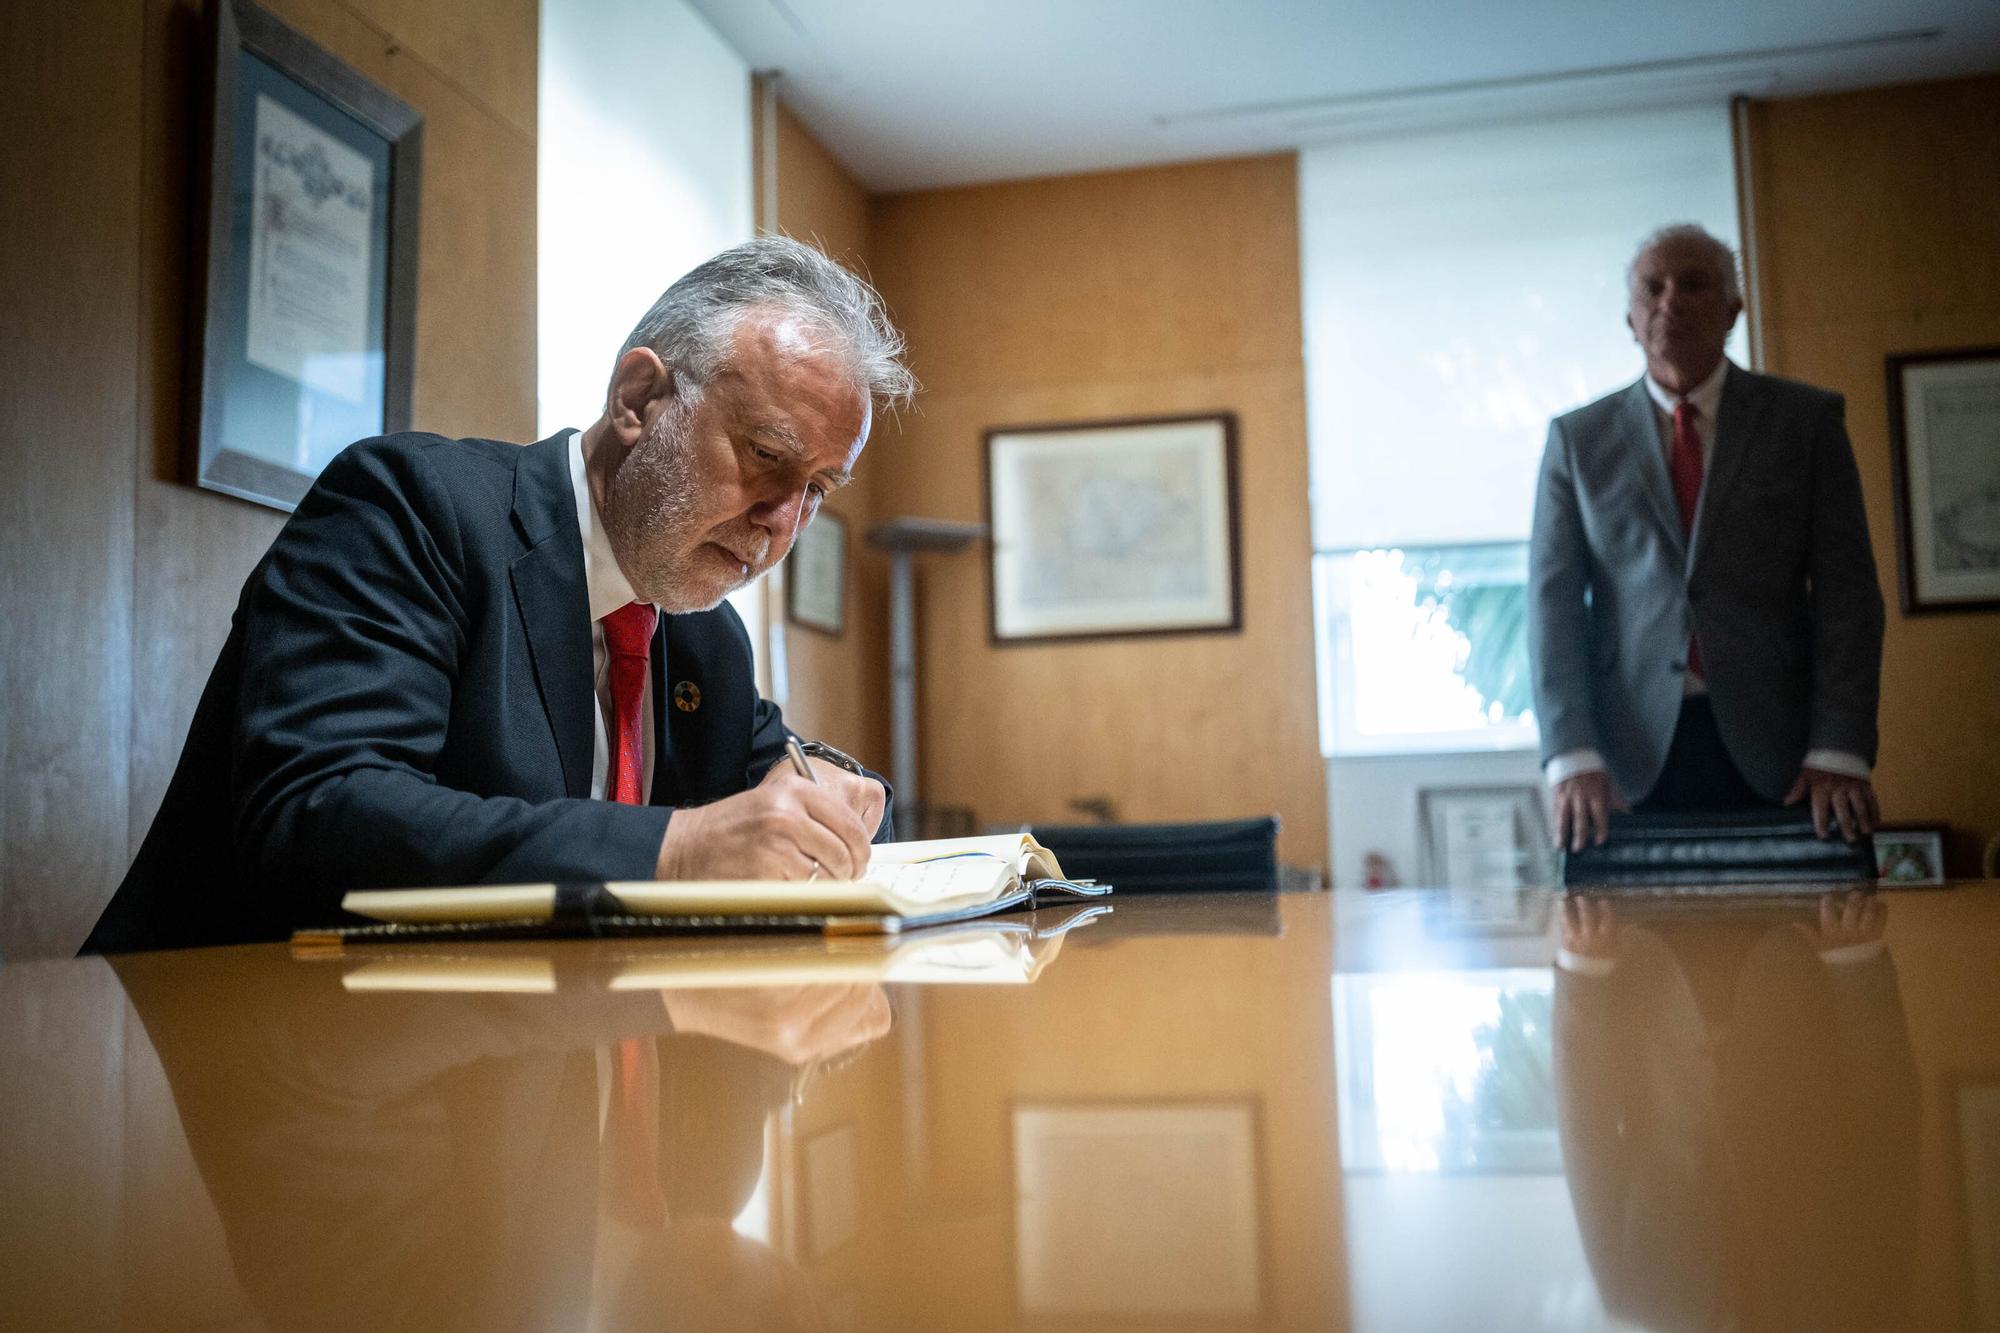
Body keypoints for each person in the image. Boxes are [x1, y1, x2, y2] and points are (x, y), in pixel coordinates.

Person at [85, 237, 915, 953]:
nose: (781, 522)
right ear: (637, 400)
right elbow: (321, 817)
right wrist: (679, 847)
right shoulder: (413, 508)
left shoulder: (704, 641)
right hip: (222, 1067)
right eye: (767, 454)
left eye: (817, 488)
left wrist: (839, 797)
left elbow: (781, 780)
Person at [1528, 223, 1884, 854]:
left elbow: (1847, 595)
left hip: (1789, 755)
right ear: (1631, 318)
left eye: (1694, 284)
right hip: (1622, 764)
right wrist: (1573, 753)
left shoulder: (1806, 423)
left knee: (1800, 944)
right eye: (1653, 288)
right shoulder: (1577, 441)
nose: (1672, 301)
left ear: (1732, 311)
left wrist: (1839, 746)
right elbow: (1551, 609)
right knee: (1644, 948)